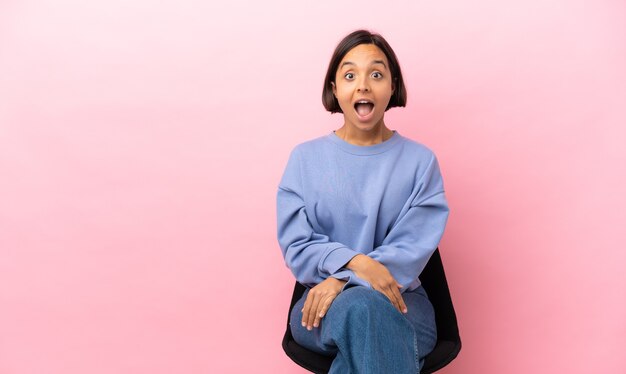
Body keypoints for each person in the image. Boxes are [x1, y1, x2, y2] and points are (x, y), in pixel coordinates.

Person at [276, 29, 450, 373]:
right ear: (334, 89)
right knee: (362, 311)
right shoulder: (304, 160)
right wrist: (358, 263)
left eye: (376, 73)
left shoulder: (420, 162)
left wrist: (343, 277)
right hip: (319, 308)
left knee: (365, 319)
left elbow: (412, 246)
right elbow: (297, 245)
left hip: (403, 303)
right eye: (350, 75)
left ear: (393, 85)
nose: (363, 85)